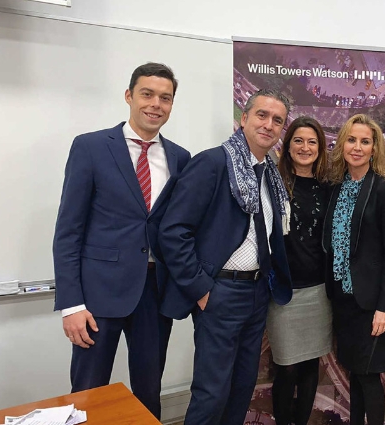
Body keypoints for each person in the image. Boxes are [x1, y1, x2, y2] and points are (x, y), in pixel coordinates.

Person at [52, 62, 190, 419]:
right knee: (87, 393)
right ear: (129, 96)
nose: (155, 104)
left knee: (148, 391)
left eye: (165, 97)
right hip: (98, 295)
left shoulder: (180, 157)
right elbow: (69, 230)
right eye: (147, 94)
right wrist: (71, 304)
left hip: (155, 293)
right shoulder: (92, 147)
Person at [159, 89, 294, 425]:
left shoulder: (270, 175)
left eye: (277, 120)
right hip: (220, 293)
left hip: (257, 293)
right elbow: (174, 230)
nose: (269, 125)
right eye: (261, 115)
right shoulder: (213, 162)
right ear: (244, 118)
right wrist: (201, 288)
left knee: (241, 386)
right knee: (212, 391)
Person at [322, 114, 385, 425]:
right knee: (354, 373)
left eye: (365, 142)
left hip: (372, 304)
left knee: (369, 378)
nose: (357, 147)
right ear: (342, 145)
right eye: (352, 140)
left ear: (374, 149)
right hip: (343, 301)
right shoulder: (334, 189)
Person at [268, 116, 332, 425]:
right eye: (298, 140)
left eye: (312, 142)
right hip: (283, 292)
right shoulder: (271, 183)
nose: (305, 147)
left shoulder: (328, 187)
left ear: (320, 148)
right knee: (286, 367)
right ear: (287, 145)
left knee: (309, 365)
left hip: (319, 291)